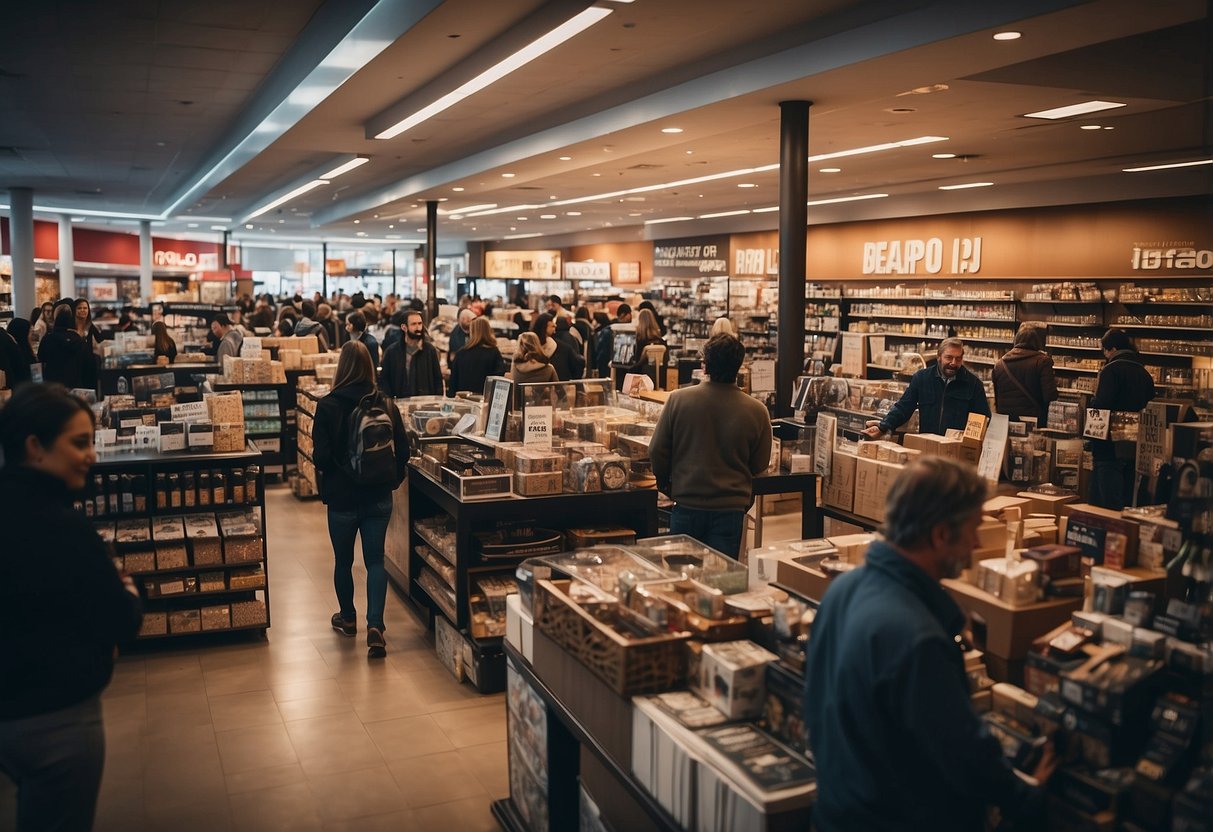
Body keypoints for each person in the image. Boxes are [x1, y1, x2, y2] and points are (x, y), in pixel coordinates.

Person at [805, 457, 1054, 831]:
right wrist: (1028, 796)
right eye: (973, 528)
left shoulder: (842, 590)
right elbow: (961, 755)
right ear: (940, 535)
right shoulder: (916, 638)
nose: (976, 542)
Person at [0, 384, 142, 831]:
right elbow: (120, 618)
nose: (91, 456)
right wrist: (131, 592)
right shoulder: (64, 529)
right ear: (34, 446)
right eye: (79, 443)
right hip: (58, 720)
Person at [312, 342, 409, 659]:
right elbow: (403, 453)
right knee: (375, 561)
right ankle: (376, 627)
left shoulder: (327, 405)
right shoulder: (386, 404)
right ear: (371, 367)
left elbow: (321, 457)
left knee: (343, 561)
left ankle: (348, 618)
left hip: (341, 498)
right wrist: (389, 481)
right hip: (378, 496)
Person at [650, 334, 772, 557]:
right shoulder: (757, 410)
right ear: (739, 367)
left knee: (681, 579)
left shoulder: (678, 400)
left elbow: (657, 450)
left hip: (686, 502)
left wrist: (665, 482)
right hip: (730, 508)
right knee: (721, 579)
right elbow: (760, 464)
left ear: (705, 366)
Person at [863, 337, 990, 438]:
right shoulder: (922, 378)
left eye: (958, 359)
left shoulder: (973, 384)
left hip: (956, 449)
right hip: (927, 444)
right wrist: (883, 426)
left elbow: (983, 419)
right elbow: (903, 407)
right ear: (939, 357)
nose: (953, 363)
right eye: (949, 357)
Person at [1088, 328, 1156, 510]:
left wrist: (1092, 401)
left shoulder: (1111, 370)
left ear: (1112, 349)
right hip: (1135, 445)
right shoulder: (1144, 372)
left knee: (1106, 502)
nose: (1105, 354)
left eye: (1105, 350)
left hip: (1109, 445)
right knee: (1127, 498)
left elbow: (1101, 405)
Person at [993, 323, 1058, 424]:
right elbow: (1050, 395)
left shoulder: (999, 364)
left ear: (1016, 341)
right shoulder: (1043, 361)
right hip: (1033, 419)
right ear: (1036, 342)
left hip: (1005, 420)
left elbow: (997, 397)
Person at [379, 309, 443, 398]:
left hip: (425, 403)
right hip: (400, 402)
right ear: (404, 327)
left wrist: (437, 402)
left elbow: (437, 379)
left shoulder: (430, 350)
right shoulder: (392, 351)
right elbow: (384, 380)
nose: (418, 328)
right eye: (414, 324)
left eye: (420, 323)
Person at [38, 307, 93, 390]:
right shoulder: (78, 340)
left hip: (51, 385)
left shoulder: (47, 339)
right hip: (74, 384)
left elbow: (41, 359)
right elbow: (87, 362)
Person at [449, 316, 506, 396]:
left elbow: (453, 383)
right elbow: (499, 379)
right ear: (488, 330)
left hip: (463, 401)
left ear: (472, 331)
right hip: (485, 401)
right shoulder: (494, 353)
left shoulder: (461, 353)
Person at [532, 313, 584, 380]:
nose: (555, 325)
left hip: (536, 387)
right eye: (552, 325)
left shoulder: (530, 347)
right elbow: (577, 367)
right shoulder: (563, 348)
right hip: (559, 386)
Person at [623, 307, 665, 378]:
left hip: (640, 375)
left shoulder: (638, 340)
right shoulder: (660, 340)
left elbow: (634, 362)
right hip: (659, 375)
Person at [593, 303, 630, 379]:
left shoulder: (607, 330)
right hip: (620, 372)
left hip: (608, 371)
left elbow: (601, 355)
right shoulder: (624, 331)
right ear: (627, 315)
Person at [3, 319, 36, 386]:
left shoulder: (9, 353)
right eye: (30, 332)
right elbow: (36, 377)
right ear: (23, 334)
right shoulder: (25, 355)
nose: (32, 336)